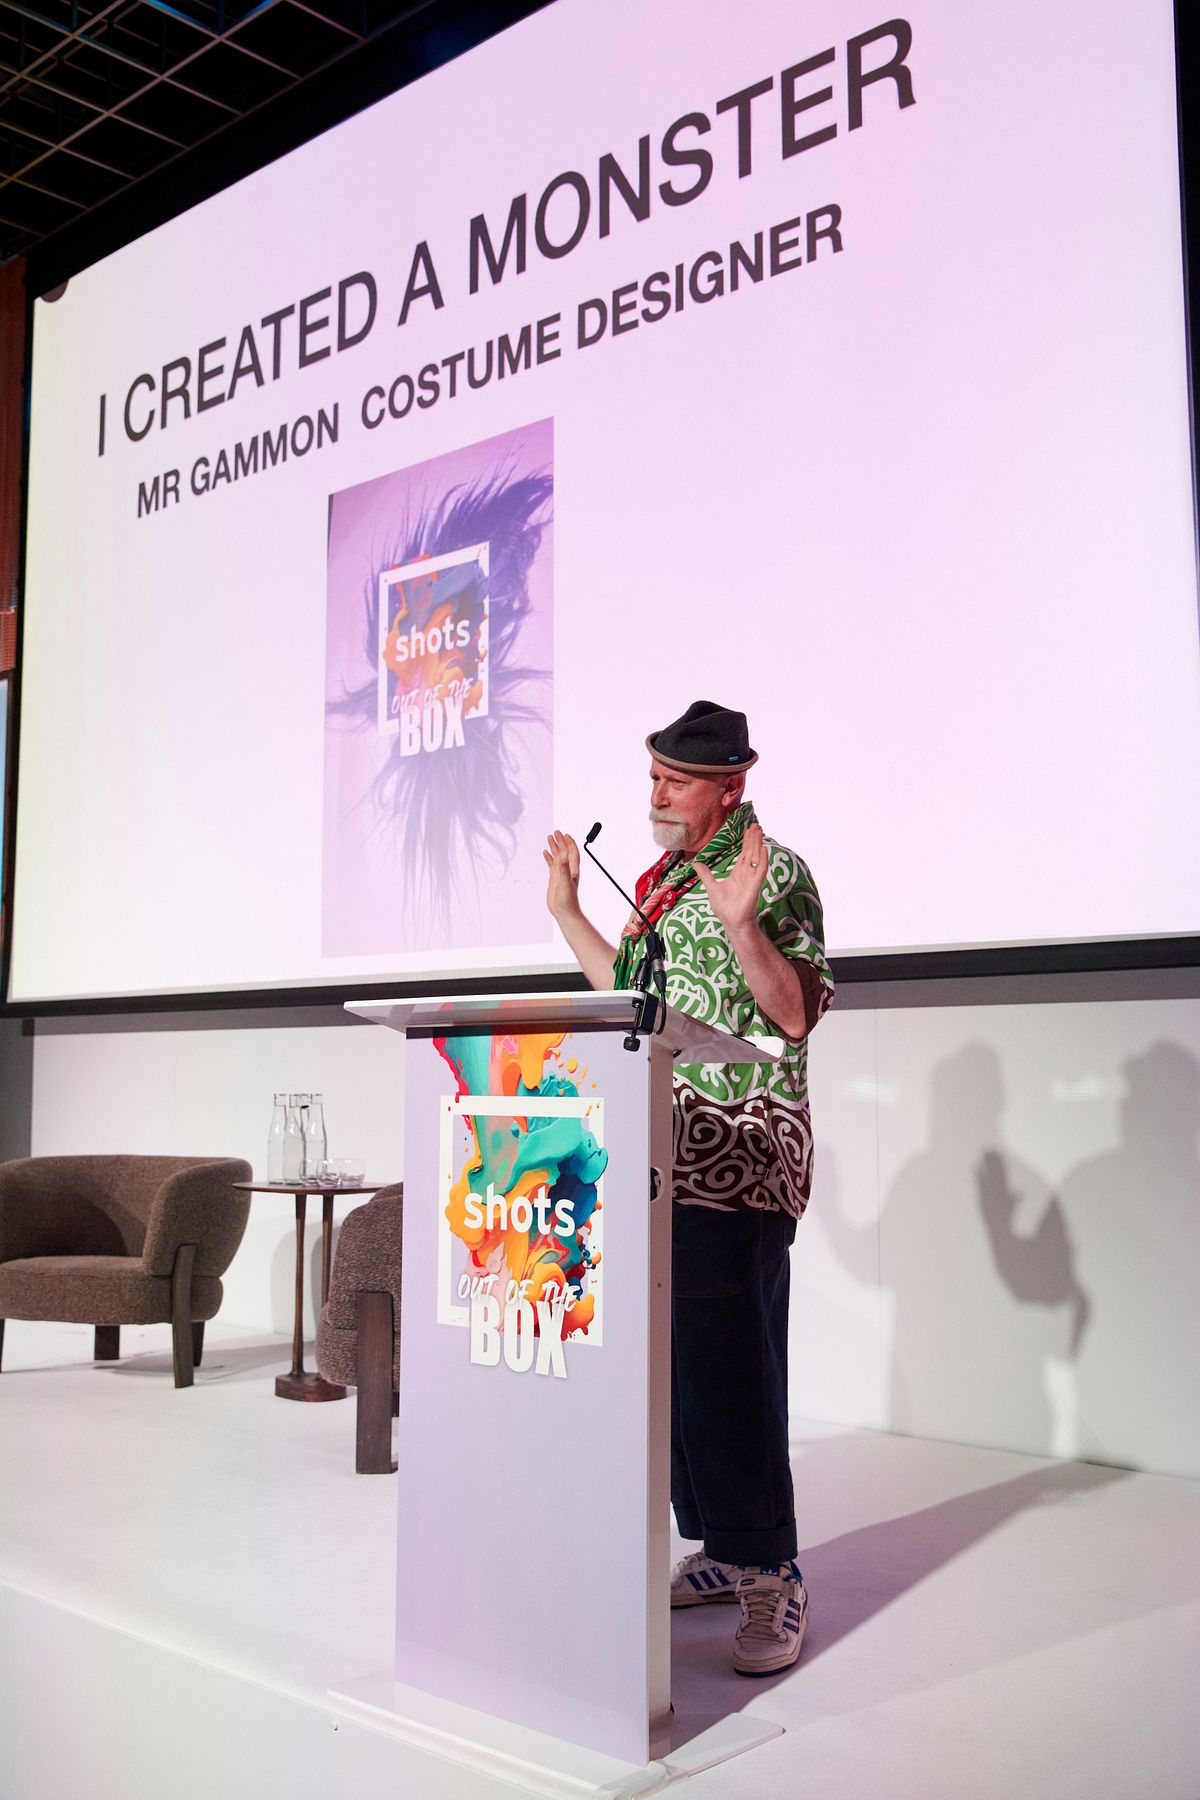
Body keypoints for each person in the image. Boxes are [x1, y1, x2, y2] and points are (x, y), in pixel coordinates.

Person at [544, 699, 833, 1676]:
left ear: (731, 785)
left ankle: (771, 1571)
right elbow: (630, 1002)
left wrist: (745, 926)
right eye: (653, 775)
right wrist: (569, 915)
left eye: (675, 779)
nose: (657, 793)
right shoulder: (661, 884)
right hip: (659, 1158)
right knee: (676, 1371)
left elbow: (795, 1014)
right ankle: (722, 1548)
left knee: (729, 1368)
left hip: (741, 1158)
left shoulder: (775, 873)